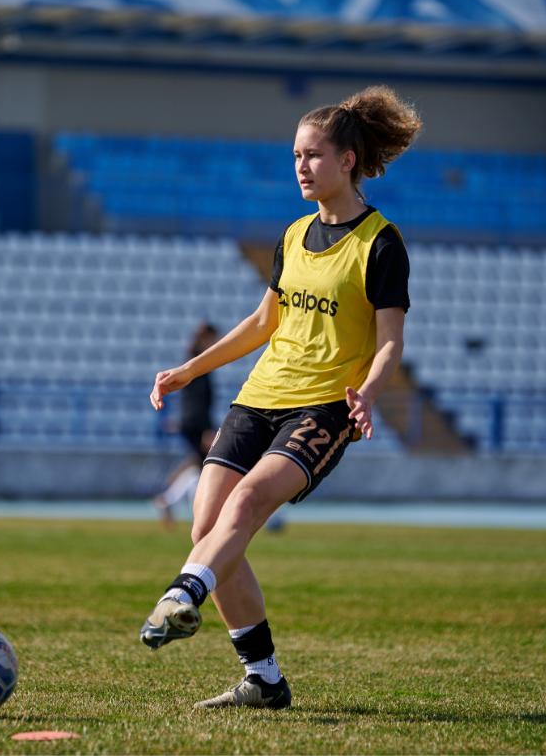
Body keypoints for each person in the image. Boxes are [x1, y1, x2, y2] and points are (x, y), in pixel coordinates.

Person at [140, 85, 419, 710]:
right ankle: (264, 679)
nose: (301, 166)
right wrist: (190, 369)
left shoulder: (381, 243)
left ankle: (182, 595)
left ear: (347, 160)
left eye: (313, 154)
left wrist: (369, 393)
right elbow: (263, 323)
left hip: (325, 406)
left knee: (244, 507)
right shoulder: (293, 235)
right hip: (259, 396)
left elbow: (390, 342)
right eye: (295, 155)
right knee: (206, 527)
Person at [152, 322, 219, 528]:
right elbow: (198, 400)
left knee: (199, 464)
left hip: (191, 421)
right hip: (196, 423)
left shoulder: (194, 361)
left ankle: (170, 501)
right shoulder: (199, 364)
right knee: (205, 465)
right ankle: (180, 504)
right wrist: (207, 428)